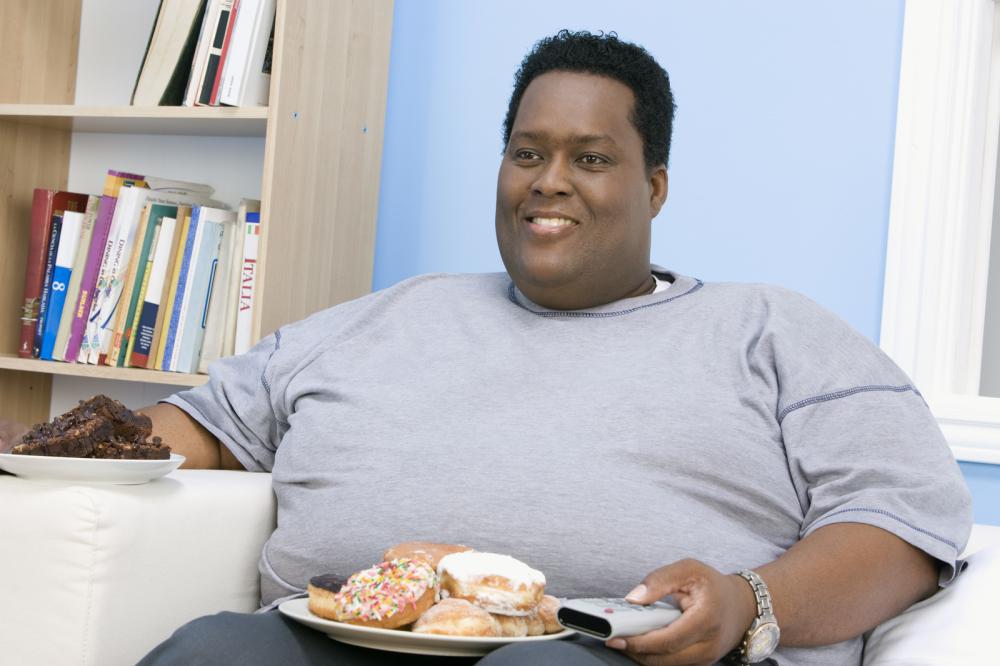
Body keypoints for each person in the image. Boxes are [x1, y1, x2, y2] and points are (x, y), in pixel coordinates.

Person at [3, 31, 971, 666]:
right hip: (335, 636)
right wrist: (62, 446)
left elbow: (905, 525)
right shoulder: (388, 316)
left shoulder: (775, 329)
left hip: (608, 651)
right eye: (526, 153)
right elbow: (201, 429)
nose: (549, 182)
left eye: (590, 159)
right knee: (213, 652)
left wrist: (750, 602)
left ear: (656, 187)